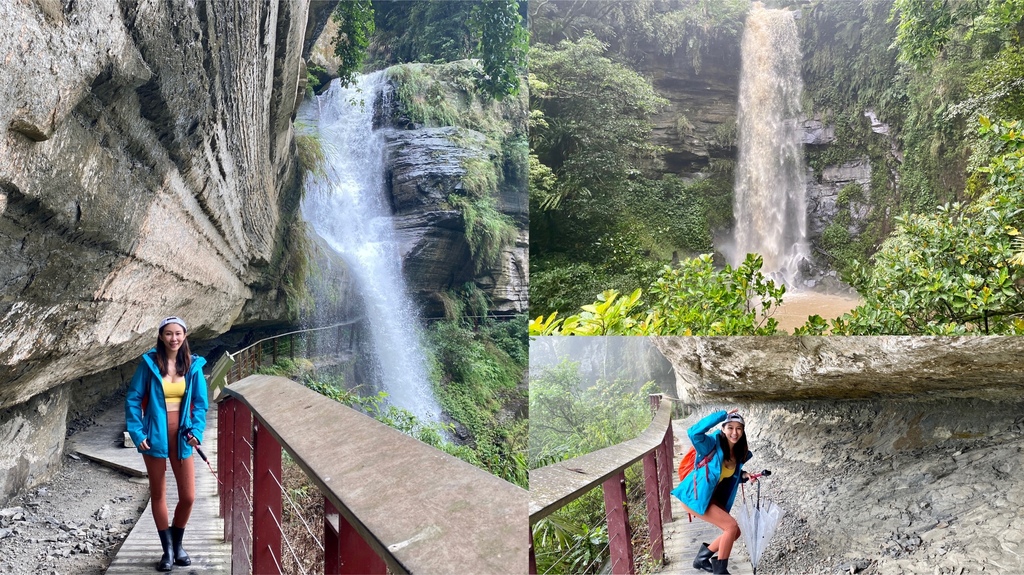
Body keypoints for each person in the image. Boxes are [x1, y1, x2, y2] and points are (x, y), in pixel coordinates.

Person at [125, 316, 209, 572]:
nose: (174, 338)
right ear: (161, 336)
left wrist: (196, 431)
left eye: (178, 333)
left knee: (188, 496)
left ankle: (178, 542)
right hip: (154, 436)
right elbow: (133, 399)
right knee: (159, 493)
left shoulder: (193, 366)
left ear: (185, 336)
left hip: (182, 435)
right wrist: (138, 434)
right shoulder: (149, 364)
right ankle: (168, 550)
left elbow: (201, 405)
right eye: (169, 333)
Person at [672, 409, 756, 575]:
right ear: (723, 429)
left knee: (735, 532)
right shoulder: (710, 444)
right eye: (730, 427)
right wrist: (721, 415)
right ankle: (720, 571)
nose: (734, 432)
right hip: (694, 496)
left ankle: (702, 559)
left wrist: (744, 475)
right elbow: (693, 432)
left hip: (711, 496)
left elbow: (726, 474)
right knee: (730, 527)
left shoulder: (738, 453)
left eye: (739, 428)